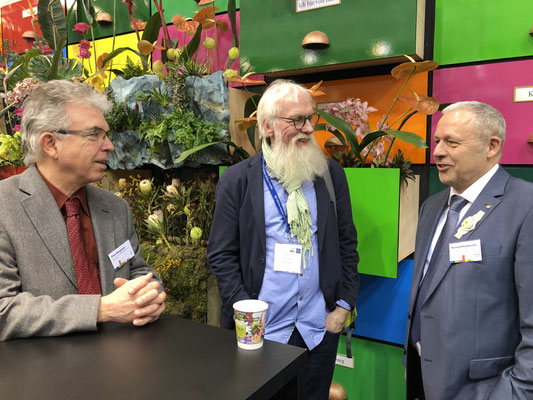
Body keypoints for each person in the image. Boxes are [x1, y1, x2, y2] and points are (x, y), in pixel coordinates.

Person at [207, 79, 360, 399]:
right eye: (296, 120)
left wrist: (343, 307)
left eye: (310, 118)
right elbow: (221, 255)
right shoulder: (238, 180)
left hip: (318, 331)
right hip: (260, 334)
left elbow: (346, 242)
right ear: (267, 126)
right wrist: (245, 314)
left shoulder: (330, 174)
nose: (307, 128)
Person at [0, 80, 166, 341]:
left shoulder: (114, 207)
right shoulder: (5, 207)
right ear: (50, 143)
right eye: (94, 135)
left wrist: (150, 294)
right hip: (44, 374)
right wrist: (100, 310)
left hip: (120, 364)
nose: (109, 145)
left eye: (106, 134)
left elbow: (138, 271)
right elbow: (4, 310)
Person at [404, 101, 533, 399]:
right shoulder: (432, 206)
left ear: (491, 146)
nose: (436, 151)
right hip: (423, 378)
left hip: (486, 388)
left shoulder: (525, 206)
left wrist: (516, 392)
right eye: (437, 140)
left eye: (452, 142)